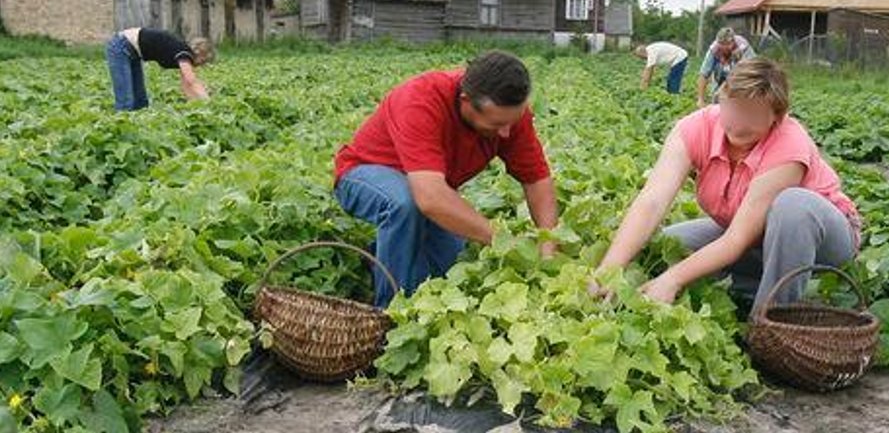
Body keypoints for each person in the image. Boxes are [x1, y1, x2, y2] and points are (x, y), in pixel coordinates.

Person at [595, 58, 860, 312]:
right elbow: (652, 201)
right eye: (733, 108)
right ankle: (757, 286)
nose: (738, 123)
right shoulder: (696, 128)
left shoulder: (789, 144)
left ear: (777, 118)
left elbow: (737, 239)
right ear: (721, 95)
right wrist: (608, 272)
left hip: (823, 242)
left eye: (753, 115)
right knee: (672, 243)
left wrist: (673, 279)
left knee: (793, 205)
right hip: (757, 238)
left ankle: (771, 322)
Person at [334, 51, 558, 307]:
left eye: (512, 122)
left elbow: (537, 180)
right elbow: (429, 199)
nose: (507, 133)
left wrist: (547, 244)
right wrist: (501, 238)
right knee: (404, 203)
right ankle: (390, 315)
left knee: (451, 266)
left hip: (428, 188)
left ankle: (381, 254)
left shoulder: (509, 116)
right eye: (496, 125)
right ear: (465, 101)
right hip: (362, 175)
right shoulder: (420, 99)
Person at [105, 27, 213, 111]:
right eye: (203, 61)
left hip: (133, 52)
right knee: (126, 103)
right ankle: (120, 134)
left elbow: (185, 83)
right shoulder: (184, 52)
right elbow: (191, 80)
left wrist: (194, 103)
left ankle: (139, 135)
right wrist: (207, 101)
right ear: (200, 55)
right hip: (121, 45)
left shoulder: (183, 55)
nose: (200, 65)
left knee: (141, 103)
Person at [696, 27, 755, 107]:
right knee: (717, 98)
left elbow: (753, 70)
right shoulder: (714, 50)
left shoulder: (743, 47)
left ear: (733, 41)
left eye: (727, 44)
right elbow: (703, 74)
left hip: (741, 77)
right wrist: (700, 99)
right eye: (721, 44)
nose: (724, 47)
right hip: (720, 76)